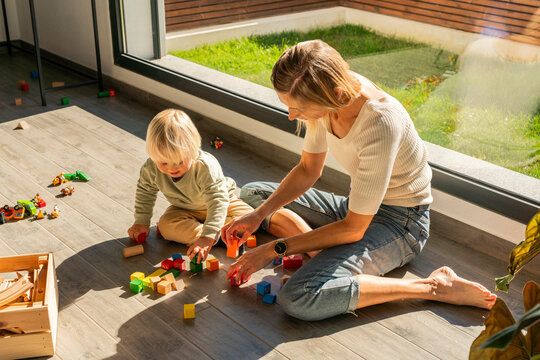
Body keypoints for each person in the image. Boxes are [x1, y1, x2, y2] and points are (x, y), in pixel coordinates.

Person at [221, 40, 497, 321]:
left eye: (299, 109)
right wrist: (258, 215)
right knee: (254, 195)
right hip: (358, 209)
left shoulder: (380, 122)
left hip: (401, 224)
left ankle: (432, 287)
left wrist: (275, 248)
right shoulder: (325, 93)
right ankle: (322, 250)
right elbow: (307, 169)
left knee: (300, 297)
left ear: (335, 94)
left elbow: (354, 228)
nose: (292, 115)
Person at [128, 109, 253, 263]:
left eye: (180, 161)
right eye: (163, 163)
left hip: (223, 202)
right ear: (153, 156)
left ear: (193, 151)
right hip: (185, 208)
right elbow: (145, 193)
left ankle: (212, 232)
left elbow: (217, 202)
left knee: (248, 216)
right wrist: (141, 221)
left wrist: (206, 237)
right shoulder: (151, 168)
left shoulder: (205, 166)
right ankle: (221, 236)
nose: (172, 168)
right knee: (167, 226)